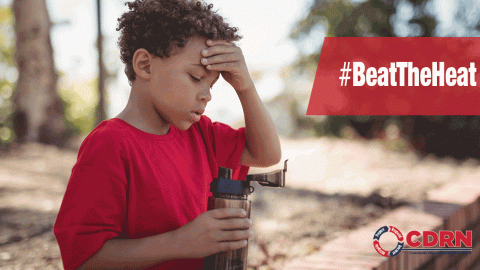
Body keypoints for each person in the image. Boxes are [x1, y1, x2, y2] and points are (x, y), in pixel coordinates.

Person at [53, 0, 281, 269]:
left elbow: (266, 154)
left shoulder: (202, 134)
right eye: (196, 77)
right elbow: (83, 260)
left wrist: (245, 86)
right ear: (145, 65)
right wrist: (180, 242)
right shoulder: (110, 145)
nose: (207, 94)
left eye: (213, 84)